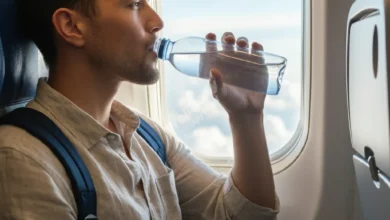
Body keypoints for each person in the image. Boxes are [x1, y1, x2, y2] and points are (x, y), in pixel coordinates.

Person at [0, 0, 279, 219]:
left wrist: (246, 118)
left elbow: (239, 215)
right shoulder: (24, 158)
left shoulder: (146, 135)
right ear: (72, 26)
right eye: (134, 4)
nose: (157, 22)